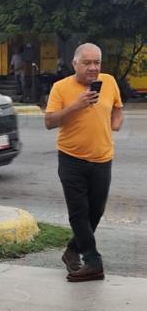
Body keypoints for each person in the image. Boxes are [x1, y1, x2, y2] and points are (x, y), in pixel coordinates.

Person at [45, 42, 124, 282]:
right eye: (87, 63)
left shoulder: (108, 81)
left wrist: (115, 124)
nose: (93, 68)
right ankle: (93, 261)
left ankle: (71, 251)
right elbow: (49, 121)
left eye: (97, 62)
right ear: (75, 64)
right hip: (72, 160)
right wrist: (77, 106)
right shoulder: (61, 88)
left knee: (95, 212)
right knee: (79, 212)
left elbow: (118, 108)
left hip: (103, 158)